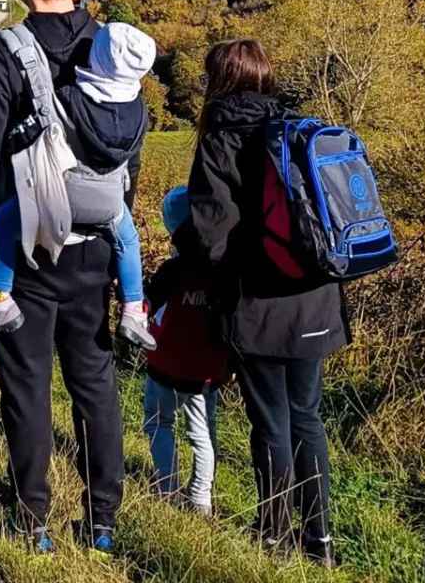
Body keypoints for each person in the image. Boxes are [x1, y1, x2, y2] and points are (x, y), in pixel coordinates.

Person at [0, 0, 135, 555]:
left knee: (26, 386)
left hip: (23, 247)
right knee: (94, 383)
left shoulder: (5, 53)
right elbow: (122, 150)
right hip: (97, 245)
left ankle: (35, 521)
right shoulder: (112, 50)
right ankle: (103, 519)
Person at [174, 39, 346, 567]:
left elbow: (210, 235)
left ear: (218, 80)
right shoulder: (297, 130)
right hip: (315, 296)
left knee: (270, 422)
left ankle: (273, 537)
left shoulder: (221, 138)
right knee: (307, 418)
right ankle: (320, 541)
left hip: (257, 303)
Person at [0, 22, 156, 349]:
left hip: (57, 198)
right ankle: (133, 309)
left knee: (1, 225)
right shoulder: (139, 113)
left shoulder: (70, 98)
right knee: (129, 240)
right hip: (109, 204)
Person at [142, 186, 223, 518]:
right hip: (205, 368)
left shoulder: (171, 271)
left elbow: (146, 306)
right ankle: (201, 498)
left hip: (165, 360)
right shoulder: (224, 270)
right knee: (202, 433)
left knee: (159, 421)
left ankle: (167, 488)